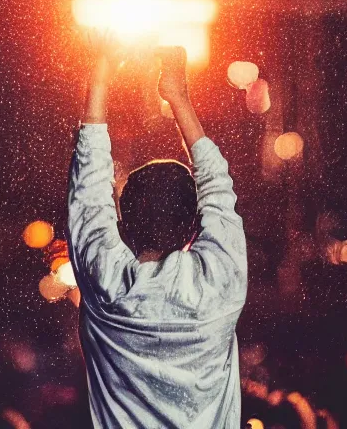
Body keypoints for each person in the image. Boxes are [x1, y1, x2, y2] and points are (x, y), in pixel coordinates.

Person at [67, 35, 247, 428]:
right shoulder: (219, 285)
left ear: (124, 225)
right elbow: (218, 187)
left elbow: (88, 191)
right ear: (191, 227)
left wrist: (99, 79)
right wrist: (178, 97)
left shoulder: (106, 284)